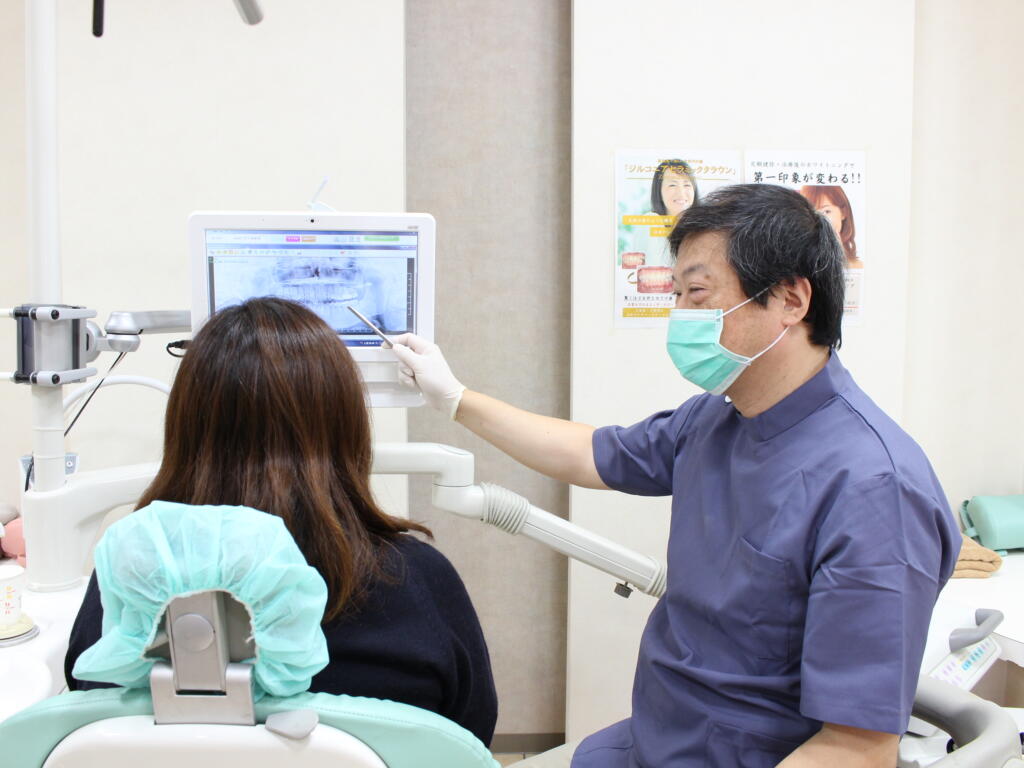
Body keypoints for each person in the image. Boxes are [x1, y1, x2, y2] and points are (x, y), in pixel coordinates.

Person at [391, 184, 960, 767]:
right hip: (654, 739)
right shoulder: (717, 418)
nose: (679, 318)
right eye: (679, 296)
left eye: (696, 294)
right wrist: (456, 399)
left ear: (790, 299)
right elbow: (590, 454)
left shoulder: (874, 490)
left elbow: (856, 747)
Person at [64, 297, 498, 746]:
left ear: (187, 429)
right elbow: (468, 742)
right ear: (347, 428)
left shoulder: (126, 579)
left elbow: (86, 721)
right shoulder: (417, 580)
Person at [799, 184, 862, 268]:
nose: (819, 221)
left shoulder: (858, 268)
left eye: (826, 211)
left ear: (843, 212)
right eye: (811, 213)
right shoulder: (796, 268)